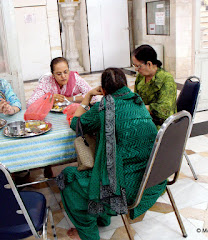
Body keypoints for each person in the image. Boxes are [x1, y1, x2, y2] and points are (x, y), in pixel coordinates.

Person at [56, 68, 167, 240]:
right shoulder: (138, 101)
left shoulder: (106, 106)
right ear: (126, 84)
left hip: (125, 188)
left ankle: (88, 233)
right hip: (152, 180)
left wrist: (87, 97)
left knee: (69, 177)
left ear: (104, 90)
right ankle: (103, 219)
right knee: (106, 166)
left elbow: (77, 124)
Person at [133, 44, 177, 129]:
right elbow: (136, 98)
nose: (136, 69)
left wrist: (141, 107)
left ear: (149, 64)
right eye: (134, 66)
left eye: (138, 66)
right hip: (144, 118)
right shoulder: (141, 77)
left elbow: (164, 110)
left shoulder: (166, 79)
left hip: (160, 124)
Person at [26, 57, 95, 108]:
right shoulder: (47, 81)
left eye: (65, 72)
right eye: (59, 74)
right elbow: (30, 104)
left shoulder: (74, 78)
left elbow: (93, 96)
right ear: (53, 74)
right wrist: (50, 99)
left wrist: (69, 99)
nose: (63, 76)